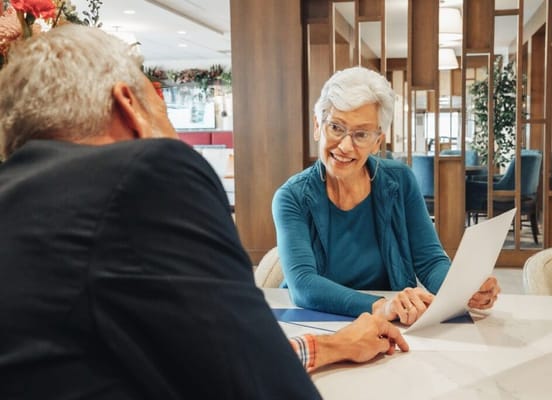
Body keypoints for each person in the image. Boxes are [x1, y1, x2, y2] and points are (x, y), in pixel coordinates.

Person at [0, 26, 408, 399]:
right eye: (160, 103)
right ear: (130, 108)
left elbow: (199, 350)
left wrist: (333, 344)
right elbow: (257, 381)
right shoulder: (147, 174)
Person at [272, 66, 500, 324]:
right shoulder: (291, 197)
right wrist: (381, 306)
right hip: (317, 321)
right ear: (317, 126)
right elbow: (303, 284)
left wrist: (462, 289)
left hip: (389, 324)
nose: (346, 146)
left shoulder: (400, 180)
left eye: (361, 134)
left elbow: (430, 262)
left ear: (377, 141)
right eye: (336, 127)